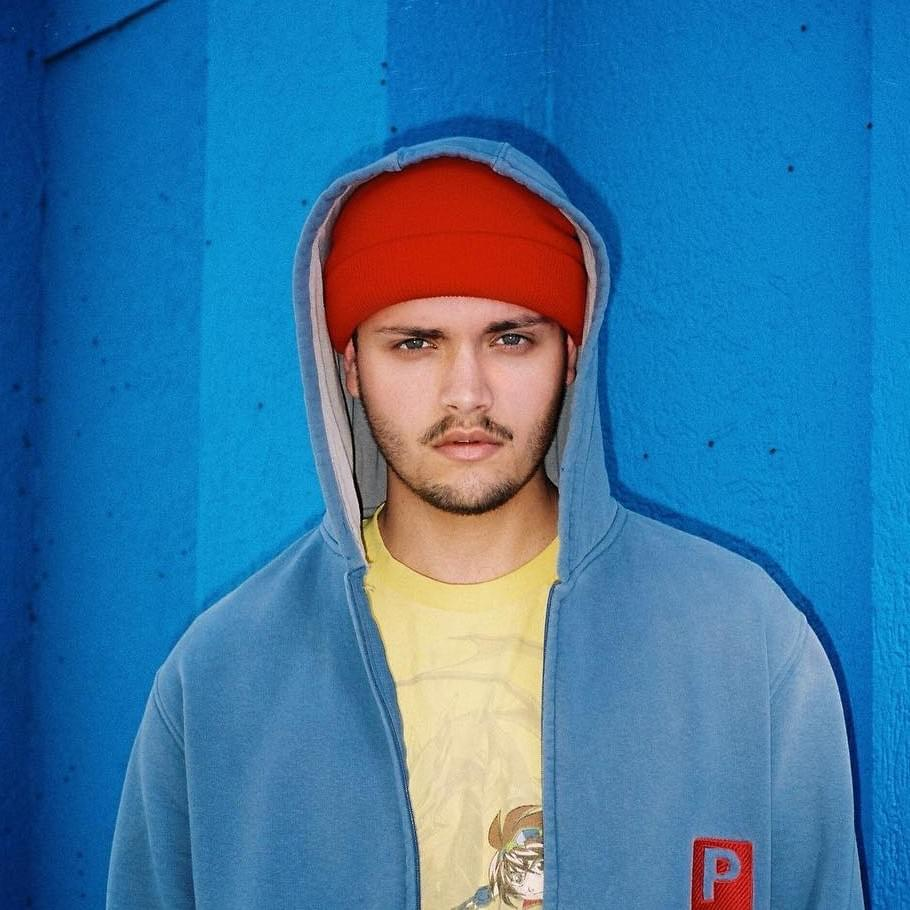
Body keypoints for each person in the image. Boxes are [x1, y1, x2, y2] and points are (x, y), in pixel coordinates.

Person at [107, 138, 864, 909]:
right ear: (351, 367)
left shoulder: (742, 640)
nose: (466, 393)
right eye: (415, 343)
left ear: (572, 355)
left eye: (511, 339)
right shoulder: (222, 676)